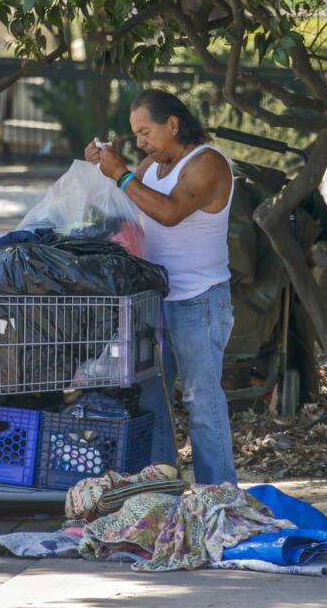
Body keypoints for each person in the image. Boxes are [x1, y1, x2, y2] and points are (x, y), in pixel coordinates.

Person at [84, 89, 238, 486]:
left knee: (202, 403)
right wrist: (102, 166)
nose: (140, 143)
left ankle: (218, 495)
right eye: (135, 135)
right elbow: (136, 199)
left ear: (172, 124)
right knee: (153, 400)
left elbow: (169, 213)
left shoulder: (207, 164)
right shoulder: (154, 162)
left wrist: (120, 173)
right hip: (154, 299)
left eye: (145, 132)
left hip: (198, 300)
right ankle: (163, 490)